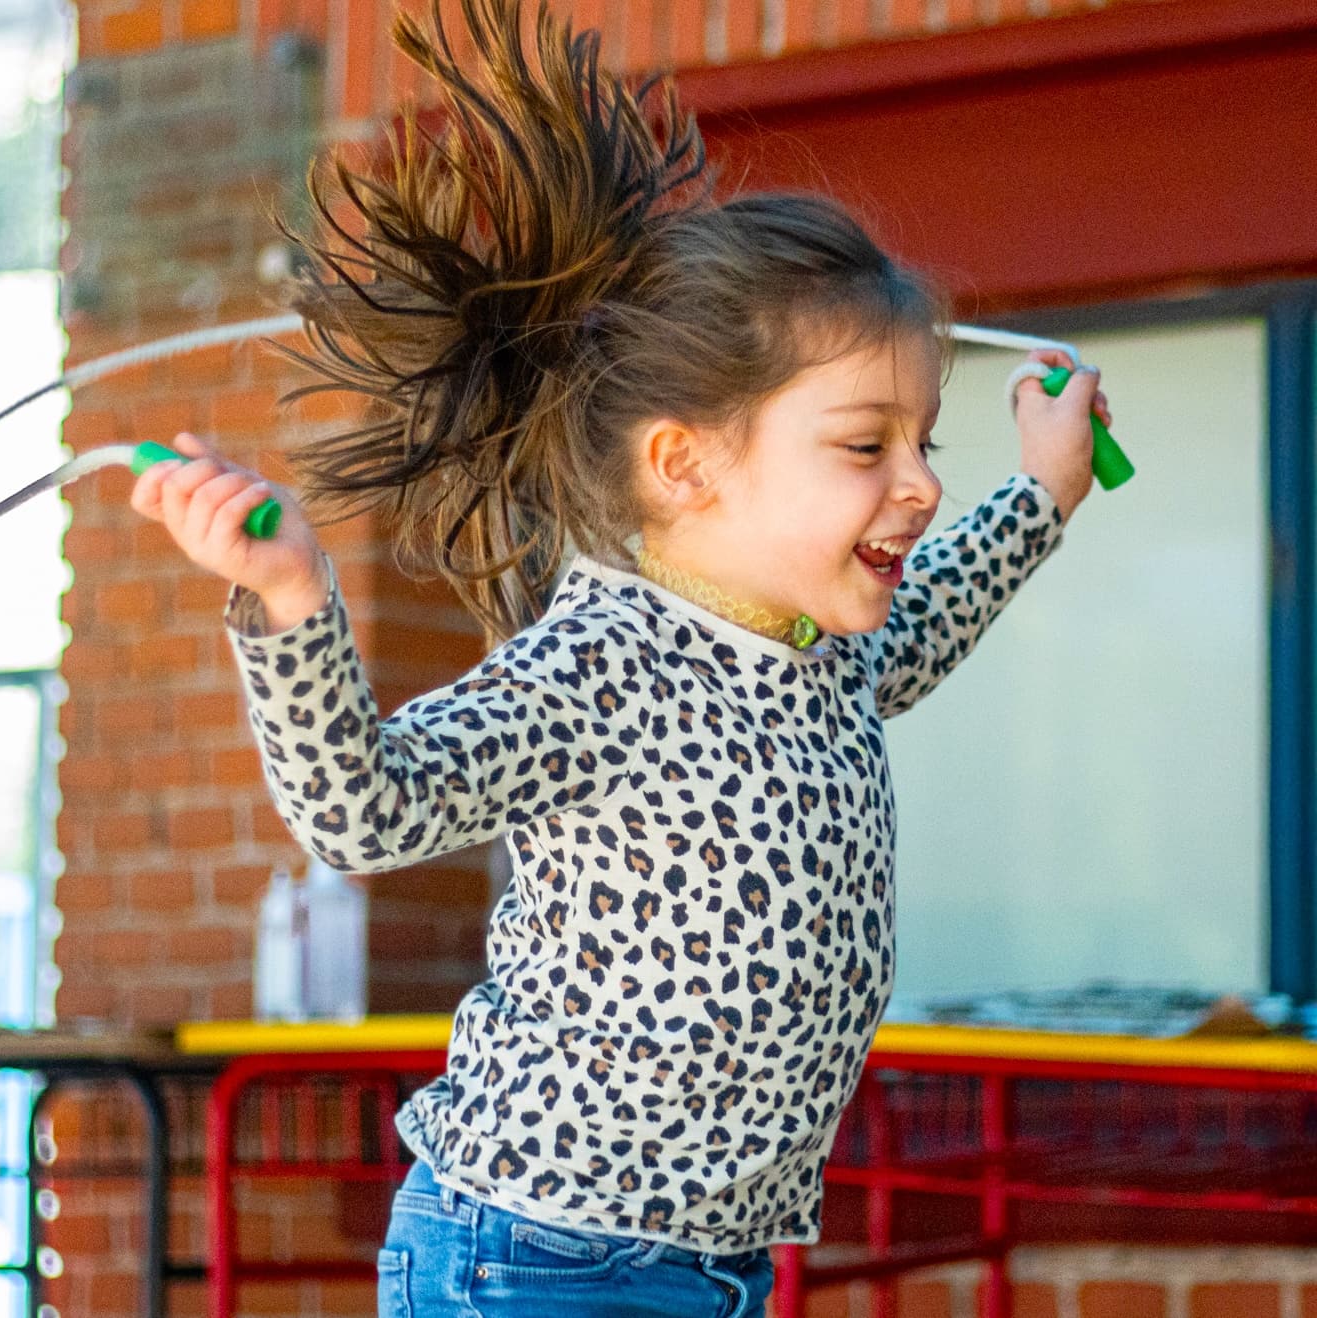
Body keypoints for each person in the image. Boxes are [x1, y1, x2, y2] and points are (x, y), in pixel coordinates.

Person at [129, 1, 1111, 1313]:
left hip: (712, 1262)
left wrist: (1045, 490)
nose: (924, 483)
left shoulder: (823, 654)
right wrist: (291, 598)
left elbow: (940, 601)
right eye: (867, 445)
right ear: (682, 463)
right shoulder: (607, 663)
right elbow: (363, 811)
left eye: (928, 441)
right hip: (532, 1251)